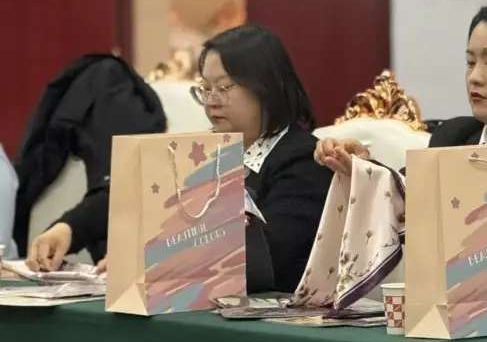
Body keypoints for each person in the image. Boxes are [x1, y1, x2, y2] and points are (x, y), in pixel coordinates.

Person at [316, 0, 487, 322]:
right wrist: (363, 168)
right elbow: (406, 194)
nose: (475, 77)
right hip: (447, 325)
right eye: (470, 62)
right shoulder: (455, 136)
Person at [28, 25, 331, 293]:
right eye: (205, 89)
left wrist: (157, 264)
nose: (211, 101)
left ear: (266, 87)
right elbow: (131, 194)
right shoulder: (205, 149)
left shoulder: (305, 159)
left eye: (224, 88)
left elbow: (271, 258)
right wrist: (68, 229)